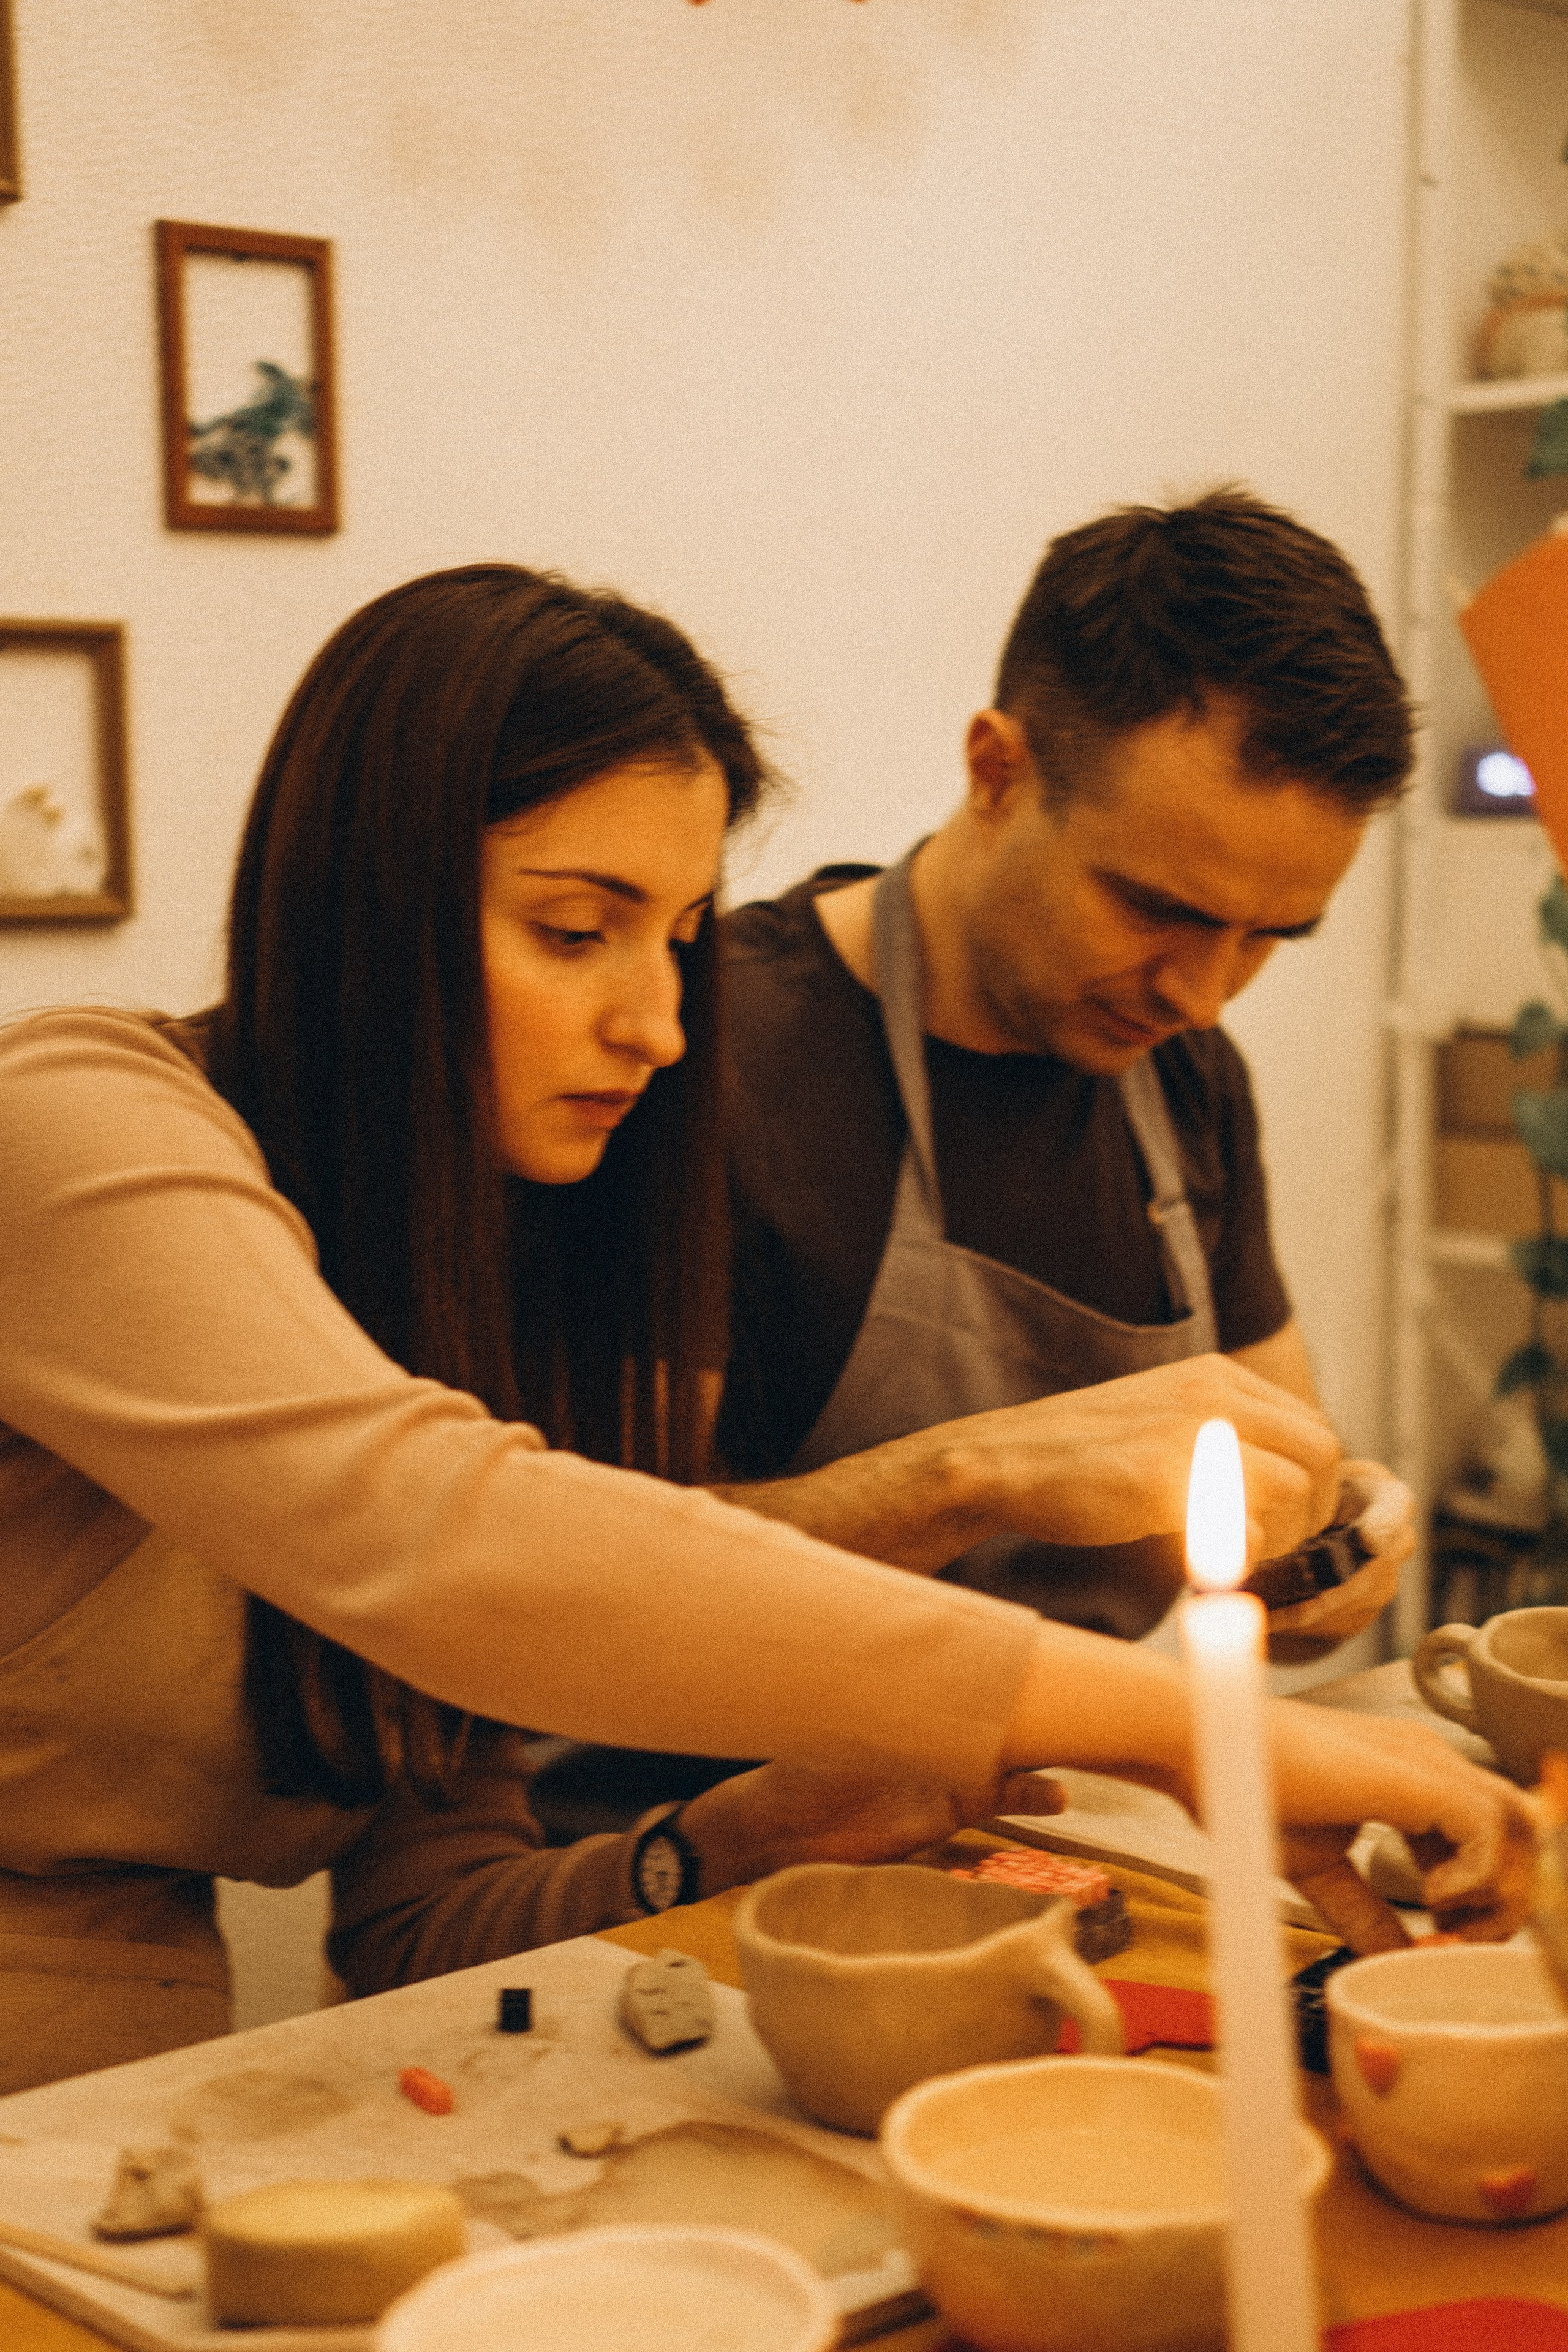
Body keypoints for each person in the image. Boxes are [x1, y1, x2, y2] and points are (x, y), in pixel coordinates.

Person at [0, 564, 1529, 2098]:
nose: (662, 1028)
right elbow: (441, 1535)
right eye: (576, 931)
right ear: (362, 908)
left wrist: (730, 1839)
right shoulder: (70, 1126)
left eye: (676, 937)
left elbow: (422, 1924)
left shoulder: (459, 1279)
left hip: (138, 2021)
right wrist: (1178, 1727)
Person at [716, 489, 1414, 1651]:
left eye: (1267, 938)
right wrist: (971, 1477)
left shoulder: (1189, 1079)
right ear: (997, 770)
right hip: (715, 1819)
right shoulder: (707, 1060)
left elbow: (1278, 1517)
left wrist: (1331, 1546)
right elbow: (556, 1594)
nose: (1200, 994)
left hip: (1063, 1796)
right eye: (1157, 907)